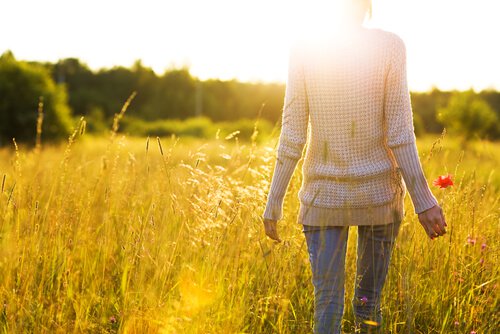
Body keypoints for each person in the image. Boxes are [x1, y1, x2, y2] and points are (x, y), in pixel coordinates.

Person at [261, 0, 447, 333]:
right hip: (379, 198)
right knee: (367, 306)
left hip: (323, 199)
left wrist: (273, 203)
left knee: (328, 305)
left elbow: (291, 134)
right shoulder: (390, 47)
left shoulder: (306, 47)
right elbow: (401, 134)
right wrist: (424, 202)